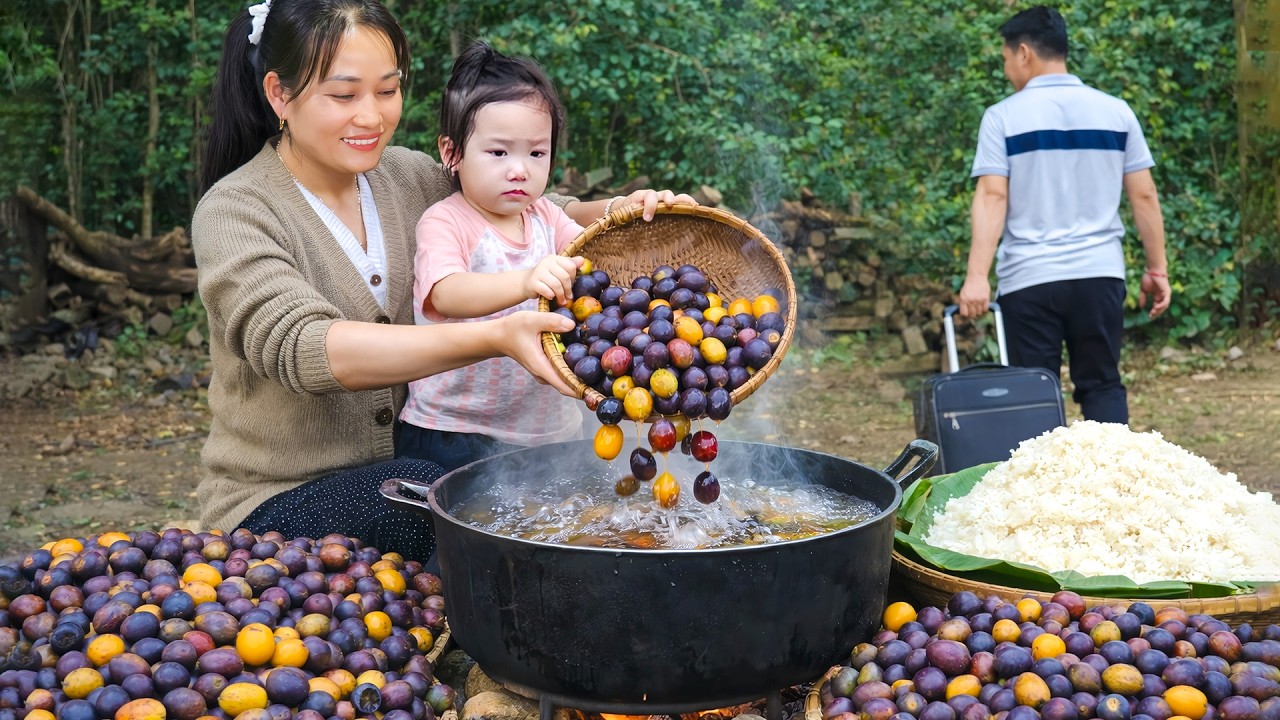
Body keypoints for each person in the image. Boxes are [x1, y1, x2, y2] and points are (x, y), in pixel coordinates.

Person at [193, 0, 685, 560]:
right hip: (281, 495)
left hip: (410, 467)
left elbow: (533, 210)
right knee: (455, 507)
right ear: (280, 94)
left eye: (387, 90)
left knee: (535, 498)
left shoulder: (410, 176)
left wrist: (629, 209)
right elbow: (303, 347)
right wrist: (495, 337)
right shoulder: (236, 212)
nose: (371, 117)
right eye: (344, 94)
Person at [958, 5, 1172, 425]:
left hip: (1030, 279)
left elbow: (992, 196)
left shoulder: (1003, 116)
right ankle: (1109, 486)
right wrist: (1157, 269)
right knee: (1103, 385)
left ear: (1024, 53)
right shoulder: (1116, 111)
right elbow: (1144, 195)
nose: (1006, 70)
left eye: (1005, 59)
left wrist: (977, 276)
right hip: (1100, 273)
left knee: (1034, 392)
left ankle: (1044, 491)